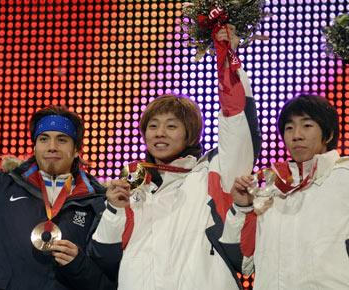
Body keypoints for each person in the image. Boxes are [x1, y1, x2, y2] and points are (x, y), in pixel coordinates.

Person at [89, 25, 261, 290]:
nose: (160, 133)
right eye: (153, 125)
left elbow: (239, 126)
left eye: (171, 126)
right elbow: (105, 259)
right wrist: (114, 210)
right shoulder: (132, 185)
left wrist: (227, 58)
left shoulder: (211, 173)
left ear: (189, 134)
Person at [231, 52, 349, 289]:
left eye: (307, 125)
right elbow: (245, 262)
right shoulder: (269, 188)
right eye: (289, 128)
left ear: (328, 134)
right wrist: (244, 208)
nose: (296, 135)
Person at [0, 106, 117, 289]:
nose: (52, 147)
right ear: (35, 146)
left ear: (76, 149)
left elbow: (109, 283)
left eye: (61, 140)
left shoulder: (99, 205)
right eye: (44, 139)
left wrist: (79, 265)